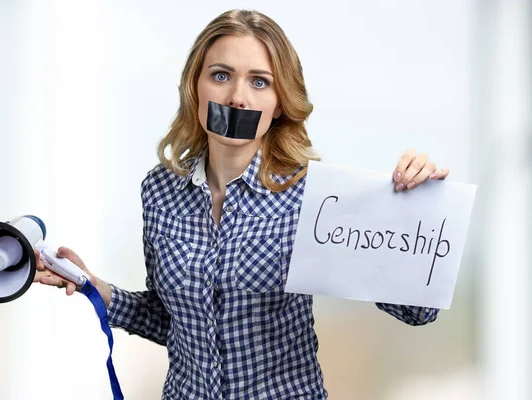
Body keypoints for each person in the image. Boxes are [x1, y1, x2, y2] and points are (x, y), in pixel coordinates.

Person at [34, 9, 450, 399]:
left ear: (280, 102)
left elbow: (417, 312)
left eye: (259, 81)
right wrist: (97, 288)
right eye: (220, 75)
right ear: (195, 87)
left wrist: (414, 210)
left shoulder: (313, 198)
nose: (237, 97)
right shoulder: (159, 192)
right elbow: (175, 322)